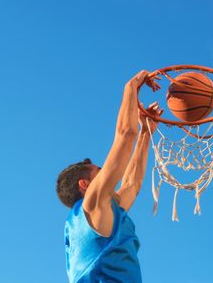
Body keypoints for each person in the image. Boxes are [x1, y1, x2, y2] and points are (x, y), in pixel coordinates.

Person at [56, 70, 162, 283]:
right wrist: (131, 86)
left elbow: (132, 184)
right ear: (85, 185)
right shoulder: (92, 205)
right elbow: (125, 135)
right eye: (100, 171)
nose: (108, 172)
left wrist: (145, 133)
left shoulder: (102, 213)